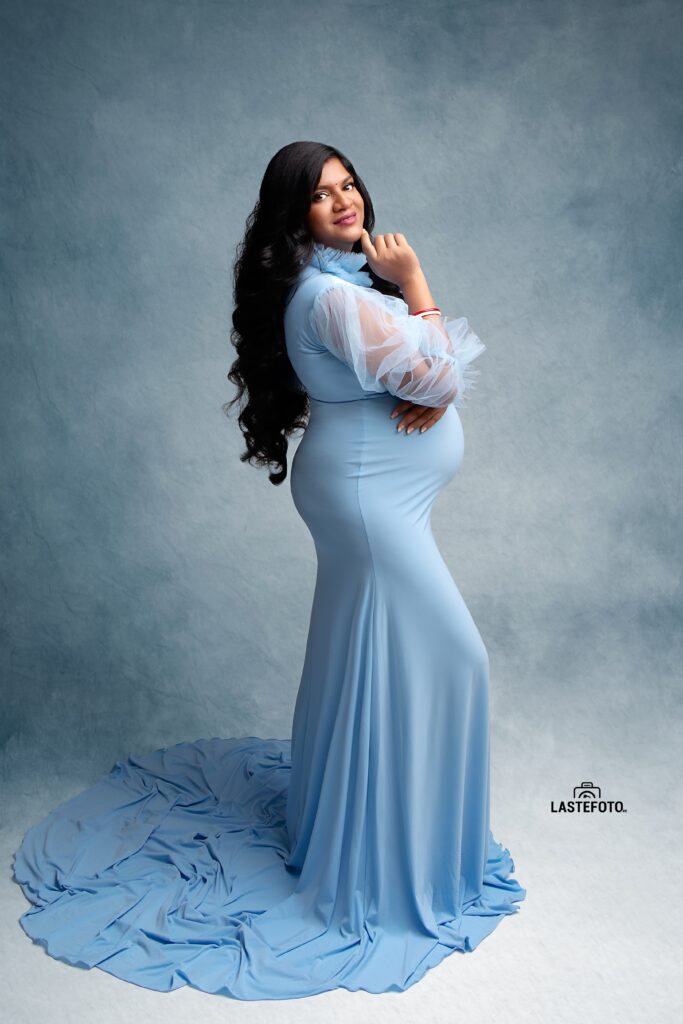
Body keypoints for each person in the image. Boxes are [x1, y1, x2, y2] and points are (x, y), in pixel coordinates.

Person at [12, 141, 526, 1000]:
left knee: (370, 660)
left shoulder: (337, 290)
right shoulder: (333, 295)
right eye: (321, 195)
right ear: (294, 217)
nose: (345, 200)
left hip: (368, 492)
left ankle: (374, 833)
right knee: (452, 662)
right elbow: (437, 373)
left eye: (349, 183)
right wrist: (417, 288)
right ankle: (394, 870)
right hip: (367, 502)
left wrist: (415, 371)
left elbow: (422, 379)